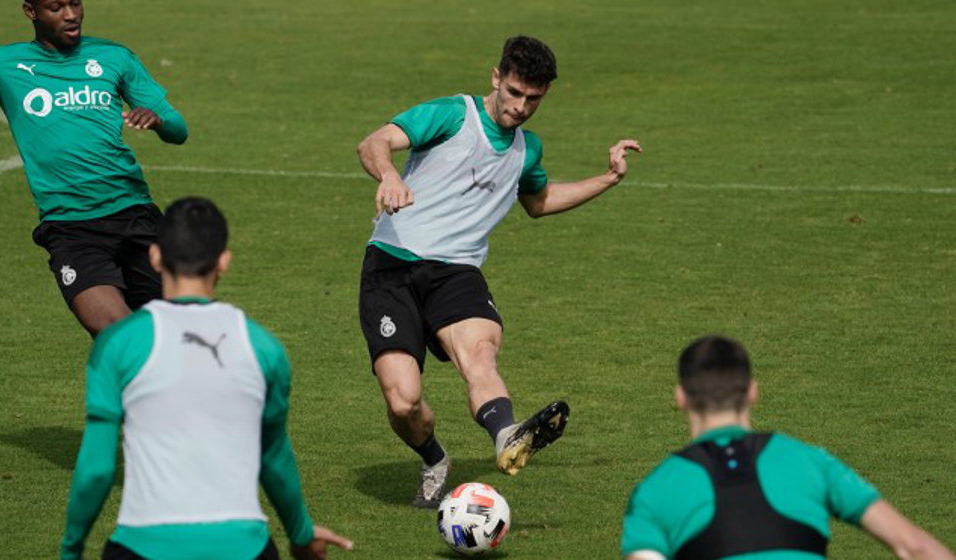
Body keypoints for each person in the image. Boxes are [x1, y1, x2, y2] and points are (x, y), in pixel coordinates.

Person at [356, 35, 642, 507]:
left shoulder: (526, 150)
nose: (521, 107)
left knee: (482, 356)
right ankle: (433, 458)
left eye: (533, 98)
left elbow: (540, 202)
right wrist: (390, 175)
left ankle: (507, 435)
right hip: (392, 264)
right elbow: (374, 142)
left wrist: (608, 179)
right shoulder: (452, 114)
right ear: (496, 77)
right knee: (403, 400)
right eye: (514, 92)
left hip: (457, 273)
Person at [60, 198, 353, 560]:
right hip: (243, 548)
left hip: (142, 547)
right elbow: (274, 457)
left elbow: (98, 468)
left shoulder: (118, 343)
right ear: (223, 262)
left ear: (154, 257)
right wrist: (300, 533)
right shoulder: (263, 348)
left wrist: (71, 549)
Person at [620, 335, 954, 560]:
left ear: (680, 398)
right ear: (752, 392)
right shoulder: (811, 463)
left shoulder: (654, 492)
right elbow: (915, 547)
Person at [0, 0, 188, 337]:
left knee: (177, 334)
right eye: (56, 7)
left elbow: (178, 130)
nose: (70, 15)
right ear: (31, 12)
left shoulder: (114, 57)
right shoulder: (3, 64)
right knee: (118, 333)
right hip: (72, 229)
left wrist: (158, 121)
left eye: (75, 4)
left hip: (135, 216)